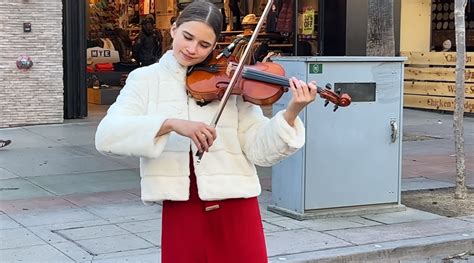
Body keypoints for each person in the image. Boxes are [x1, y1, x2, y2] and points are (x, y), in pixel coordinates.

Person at [95, 1, 317, 262]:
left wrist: (291, 113)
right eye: (187, 37)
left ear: (215, 46)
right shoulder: (145, 80)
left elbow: (259, 150)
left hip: (237, 204)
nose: (192, 49)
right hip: (182, 206)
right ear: (174, 29)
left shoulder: (232, 82)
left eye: (204, 45)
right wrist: (171, 124)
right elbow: (106, 135)